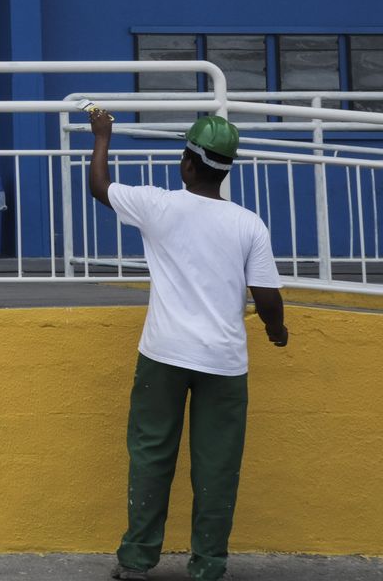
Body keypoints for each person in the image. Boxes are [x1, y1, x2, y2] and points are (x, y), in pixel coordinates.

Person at [87, 109, 286, 581]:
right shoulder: (248, 224)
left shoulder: (159, 206)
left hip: (163, 356)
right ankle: (208, 566)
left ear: (189, 165)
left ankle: (137, 560)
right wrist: (276, 332)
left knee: (151, 454)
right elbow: (268, 297)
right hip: (224, 362)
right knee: (217, 466)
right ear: (225, 168)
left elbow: (100, 187)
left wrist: (102, 137)